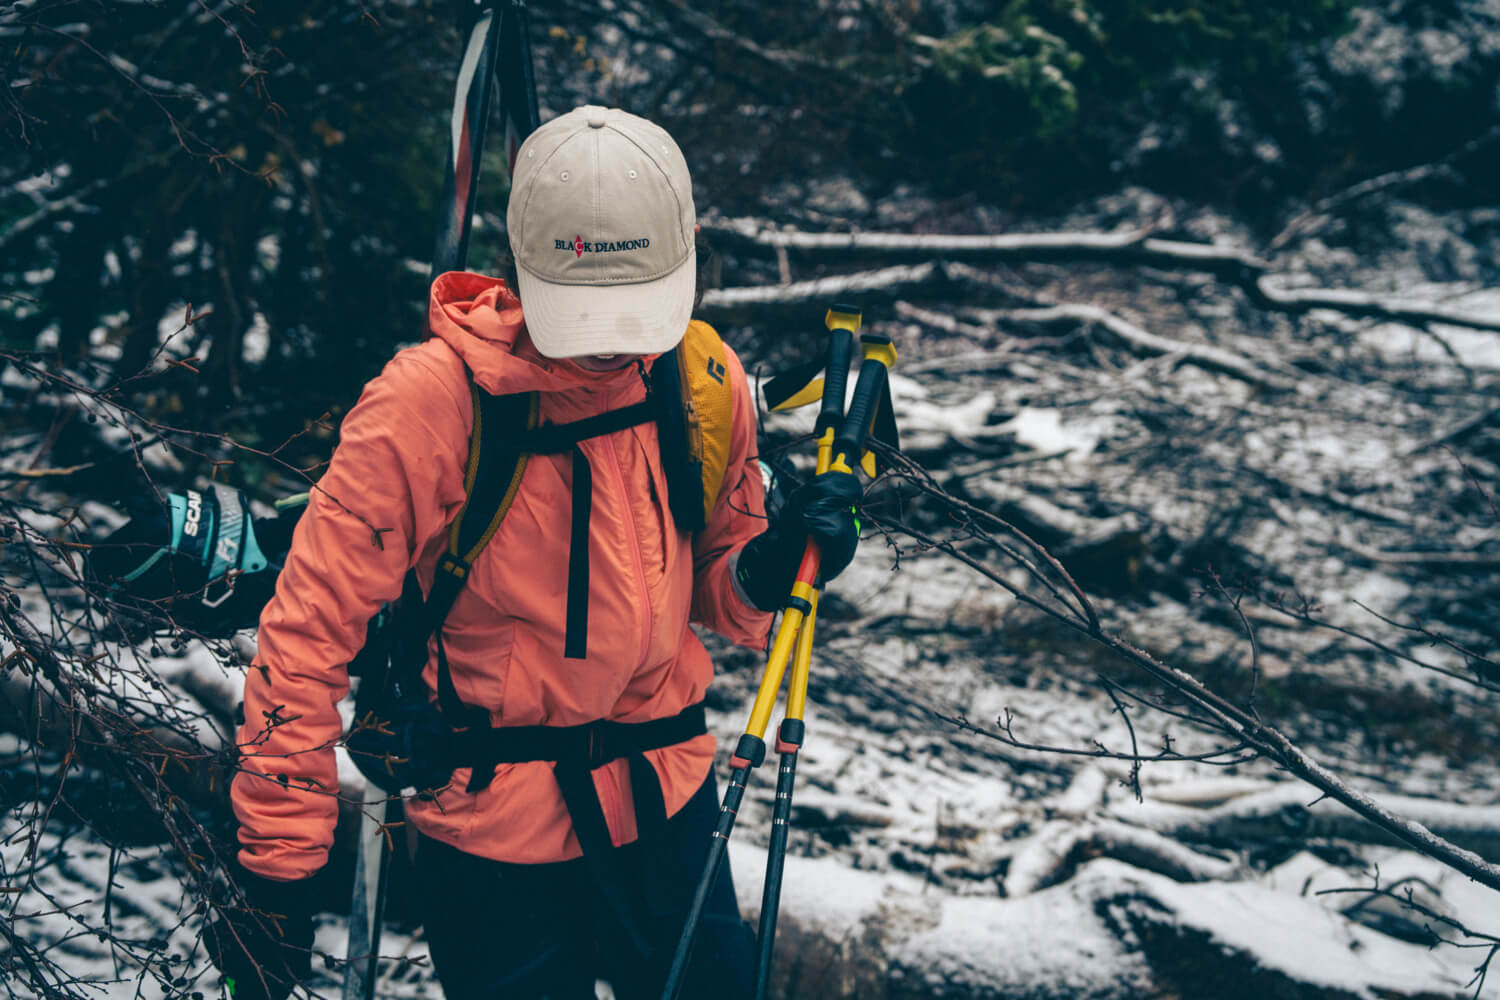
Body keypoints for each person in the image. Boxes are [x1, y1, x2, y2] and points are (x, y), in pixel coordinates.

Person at [203, 105, 863, 1000]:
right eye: (587, 317)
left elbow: (720, 595)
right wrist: (279, 872)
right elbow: (306, 636)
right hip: (492, 839)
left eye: (635, 315)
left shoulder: (702, 379)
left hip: (668, 807)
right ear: (523, 271)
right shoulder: (430, 405)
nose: (614, 345)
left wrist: (773, 564)